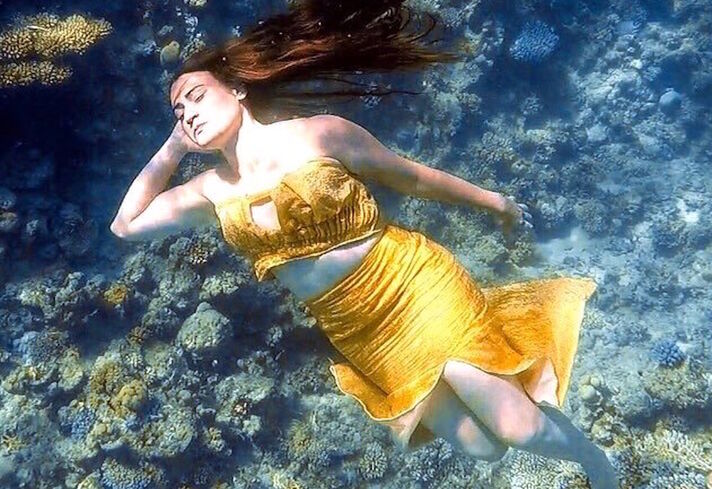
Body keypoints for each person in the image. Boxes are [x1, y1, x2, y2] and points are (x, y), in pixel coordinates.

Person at [109, 1, 619, 487]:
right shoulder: (208, 190)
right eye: (178, 111)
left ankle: (598, 465)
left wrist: (495, 203)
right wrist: (175, 145)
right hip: (356, 328)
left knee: (518, 428)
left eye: (197, 95)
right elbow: (126, 225)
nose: (189, 113)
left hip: (409, 283)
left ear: (238, 89)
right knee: (482, 448)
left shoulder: (318, 134)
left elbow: (412, 179)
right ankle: (527, 379)